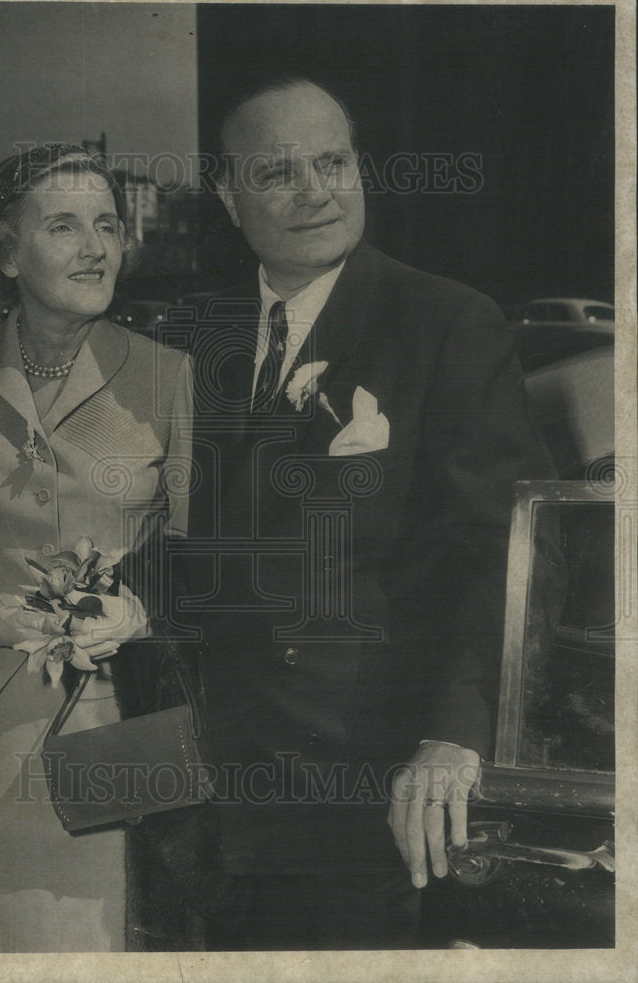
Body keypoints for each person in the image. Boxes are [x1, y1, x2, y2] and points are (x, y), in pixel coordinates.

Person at [175, 78, 555, 949]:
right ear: (227, 197)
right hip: (219, 789)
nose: (316, 191)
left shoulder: (445, 322)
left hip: (373, 785)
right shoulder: (199, 337)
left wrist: (456, 738)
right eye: (277, 173)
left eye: (333, 161)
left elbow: (513, 552)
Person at [0, 144, 192, 953]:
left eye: (108, 226)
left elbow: (200, 548)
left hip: (127, 710)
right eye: (63, 226)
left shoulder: (171, 377)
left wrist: (139, 609)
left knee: (113, 934)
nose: (95, 247)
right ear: (5, 251)